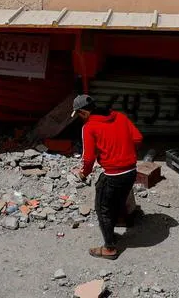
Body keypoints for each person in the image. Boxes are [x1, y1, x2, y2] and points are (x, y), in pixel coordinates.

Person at [71, 94, 143, 259]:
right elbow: (138, 138)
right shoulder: (119, 116)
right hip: (131, 172)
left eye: (79, 115)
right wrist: (124, 151)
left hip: (113, 175)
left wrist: (83, 173)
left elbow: (88, 158)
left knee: (102, 209)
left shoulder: (89, 127)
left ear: (82, 112)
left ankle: (109, 249)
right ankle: (114, 230)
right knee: (116, 203)